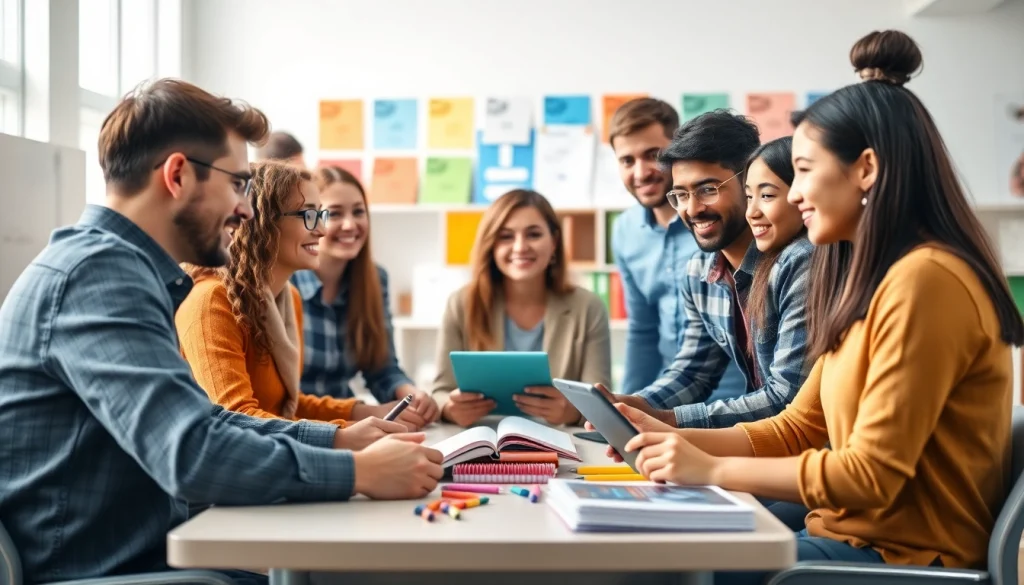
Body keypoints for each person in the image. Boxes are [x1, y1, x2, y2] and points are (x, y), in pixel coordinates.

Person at [607, 30, 1023, 583]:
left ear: (866, 170)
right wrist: (665, 439)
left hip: (905, 556)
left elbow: (871, 474)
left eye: (802, 170)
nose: (792, 195)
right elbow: (796, 427)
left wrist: (711, 467)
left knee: (682, 566)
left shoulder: (927, 280)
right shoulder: (869, 281)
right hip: (842, 536)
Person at [0, 79, 443, 585]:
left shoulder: (127, 270)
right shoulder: (100, 275)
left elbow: (207, 420)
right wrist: (358, 472)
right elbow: (191, 453)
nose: (248, 210)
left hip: (139, 554)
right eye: (237, 184)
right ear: (178, 175)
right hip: (96, 571)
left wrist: (340, 442)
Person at [175, 160, 422, 443]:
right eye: (309, 215)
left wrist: (366, 411)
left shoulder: (286, 299)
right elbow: (235, 418)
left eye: (320, 215)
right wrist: (340, 435)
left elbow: (286, 406)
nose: (321, 230)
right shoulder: (211, 301)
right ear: (263, 221)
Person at [606, 110, 813, 430]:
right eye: (681, 195)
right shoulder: (700, 272)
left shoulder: (797, 262)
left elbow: (787, 398)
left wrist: (668, 420)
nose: (692, 209)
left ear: (750, 181)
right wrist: (637, 405)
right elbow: (693, 372)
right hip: (761, 444)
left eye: (708, 190)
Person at [430, 189, 612, 426]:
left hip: (562, 443)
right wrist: (450, 409)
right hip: (483, 439)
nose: (520, 247)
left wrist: (572, 412)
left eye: (533, 234)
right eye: (506, 236)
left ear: (554, 242)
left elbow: (602, 403)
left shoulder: (588, 307)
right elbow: (440, 393)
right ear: (491, 244)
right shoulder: (461, 304)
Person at [608, 98, 747, 397]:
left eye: (652, 155)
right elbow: (643, 331)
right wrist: (623, 411)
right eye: (627, 161)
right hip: (676, 390)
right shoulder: (625, 231)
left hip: (743, 397)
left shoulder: (719, 224)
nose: (641, 172)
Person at [291, 165, 439, 428]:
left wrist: (408, 394)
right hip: (295, 426)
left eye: (358, 212)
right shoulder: (286, 281)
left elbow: (381, 368)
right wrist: (366, 412)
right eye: (334, 214)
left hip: (351, 425)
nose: (350, 225)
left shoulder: (374, 280)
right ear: (310, 219)